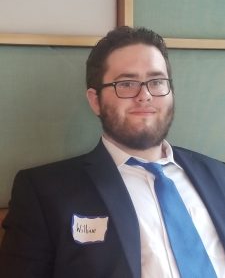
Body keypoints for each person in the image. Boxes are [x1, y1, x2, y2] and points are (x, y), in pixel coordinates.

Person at [0, 26, 225, 278]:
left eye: (157, 81)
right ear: (95, 101)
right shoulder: (44, 192)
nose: (145, 95)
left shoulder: (219, 175)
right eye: (127, 84)